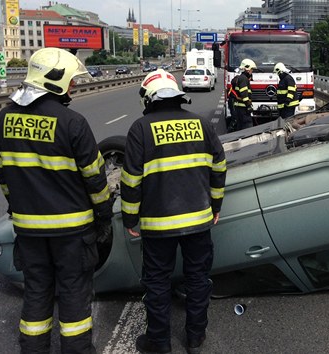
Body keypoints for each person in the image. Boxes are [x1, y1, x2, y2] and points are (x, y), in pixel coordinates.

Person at [0, 47, 113, 354]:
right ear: (55, 79)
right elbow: (96, 179)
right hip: (73, 231)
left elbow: (3, 176)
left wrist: (17, 208)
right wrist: (103, 216)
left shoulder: (1, 120)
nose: (73, 86)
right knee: (73, 294)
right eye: (71, 80)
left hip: (29, 230)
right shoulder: (72, 122)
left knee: (36, 292)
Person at [121, 70, 227, 354]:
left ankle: (159, 341)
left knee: (156, 282)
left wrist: (130, 218)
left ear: (149, 98)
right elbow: (219, 168)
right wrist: (215, 206)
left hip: (158, 225)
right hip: (198, 221)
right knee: (198, 278)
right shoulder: (201, 125)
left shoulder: (140, 129)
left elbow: (131, 180)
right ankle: (195, 337)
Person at [232, 58, 257, 130]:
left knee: (240, 127)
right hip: (243, 108)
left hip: (240, 107)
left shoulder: (242, 78)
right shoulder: (243, 79)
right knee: (248, 127)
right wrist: (248, 105)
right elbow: (244, 94)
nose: (252, 71)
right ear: (247, 69)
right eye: (251, 69)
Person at [225, 67, 240, 132]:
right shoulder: (233, 92)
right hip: (232, 103)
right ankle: (230, 130)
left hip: (232, 103)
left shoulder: (232, 89)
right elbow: (237, 97)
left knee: (235, 117)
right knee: (235, 118)